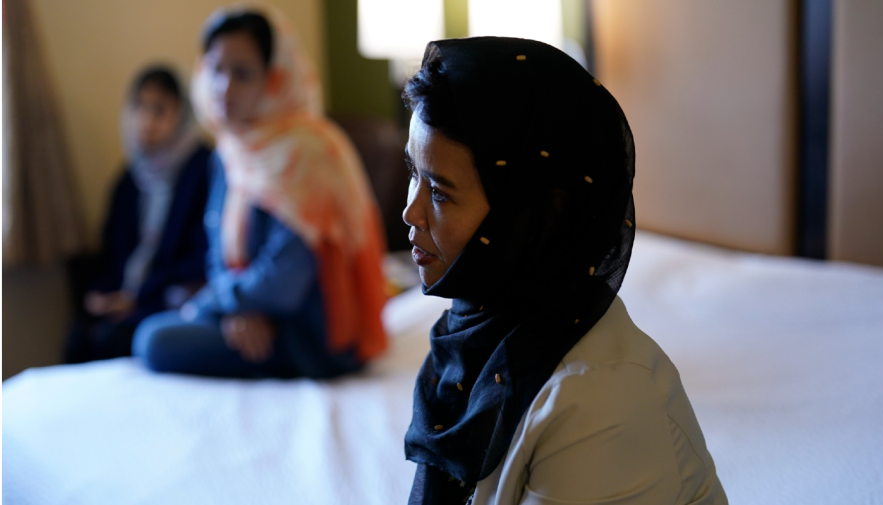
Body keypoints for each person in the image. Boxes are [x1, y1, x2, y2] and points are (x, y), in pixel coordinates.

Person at [402, 38, 727, 504]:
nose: (409, 214)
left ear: (532, 217)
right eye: (415, 172)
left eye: (440, 193)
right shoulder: (476, 329)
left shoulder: (601, 399)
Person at [132, 6, 388, 379]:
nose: (225, 87)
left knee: (153, 340)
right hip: (256, 314)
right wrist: (235, 311)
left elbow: (286, 279)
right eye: (217, 70)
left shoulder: (309, 151)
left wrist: (214, 305)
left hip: (313, 333)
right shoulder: (232, 148)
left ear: (274, 77)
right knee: (150, 333)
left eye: (243, 74)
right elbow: (217, 250)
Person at [65, 66, 211, 364]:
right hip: (126, 297)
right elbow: (110, 253)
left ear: (180, 114)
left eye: (159, 110)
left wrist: (139, 296)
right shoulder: (130, 178)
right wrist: (103, 293)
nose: (146, 121)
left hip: (166, 298)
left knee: (112, 340)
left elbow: (201, 256)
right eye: (139, 107)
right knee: (78, 340)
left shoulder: (202, 169)